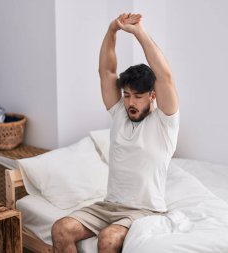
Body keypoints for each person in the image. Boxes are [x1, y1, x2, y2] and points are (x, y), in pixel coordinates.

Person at [51, 13, 179, 253]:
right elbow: (106, 72)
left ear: (152, 96)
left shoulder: (165, 123)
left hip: (145, 210)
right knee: (61, 229)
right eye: (127, 94)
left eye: (138, 96)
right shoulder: (120, 112)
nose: (130, 102)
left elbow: (165, 77)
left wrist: (139, 32)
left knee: (108, 239)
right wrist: (112, 31)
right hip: (109, 206)